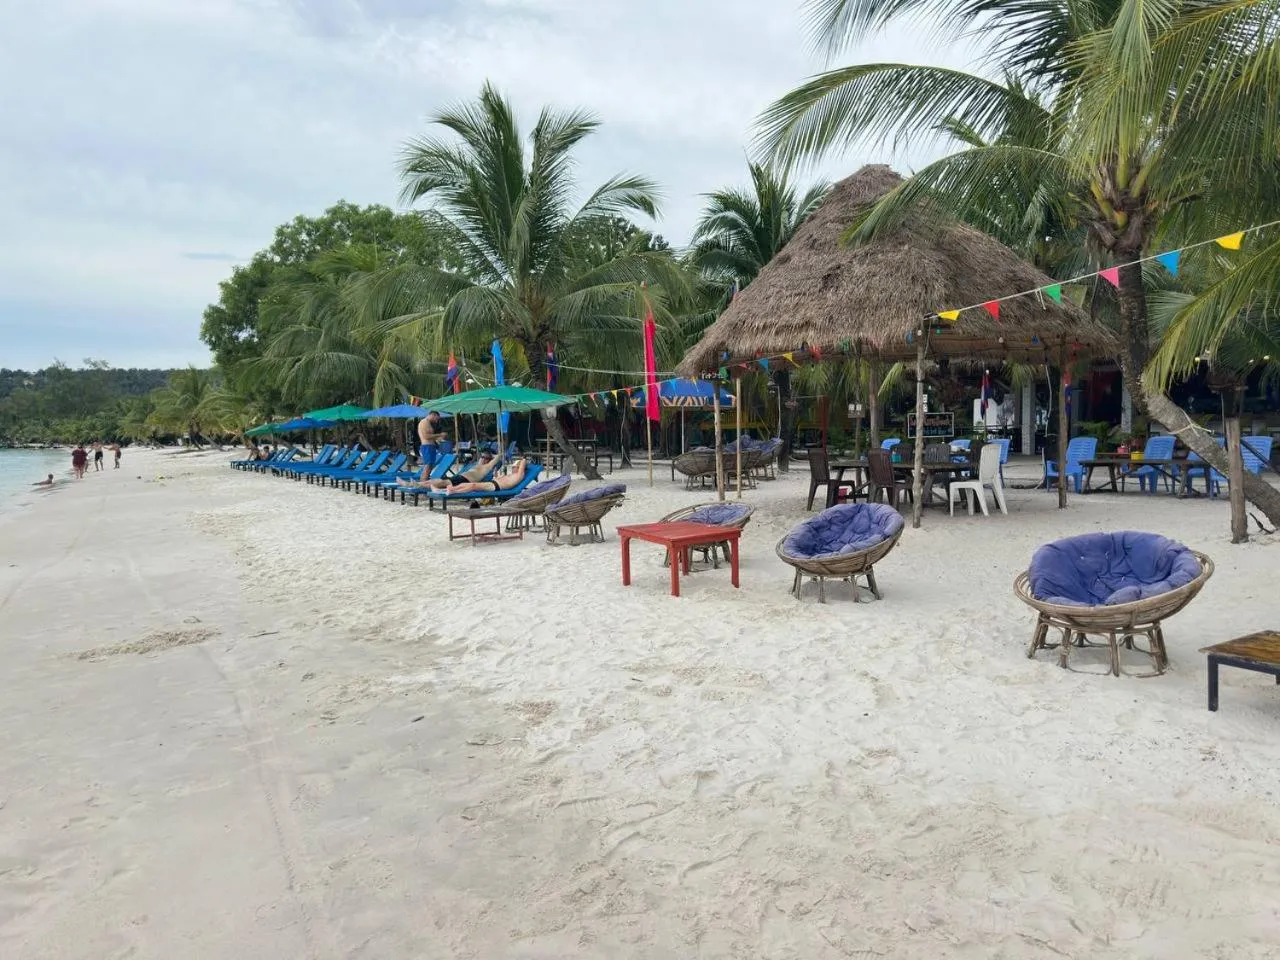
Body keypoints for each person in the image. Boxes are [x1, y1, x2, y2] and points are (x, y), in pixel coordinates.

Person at [399, 454, 496, 491]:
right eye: (482, 457)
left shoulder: (487, 467)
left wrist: (494, 455)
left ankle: (417, 485)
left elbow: (498, 457)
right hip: (460, 477)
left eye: (485, 458)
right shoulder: (477, 465)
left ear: (489, 460)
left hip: (466, 480)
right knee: (438, 480)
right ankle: (415, 484)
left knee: (442, 483)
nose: (482, 459)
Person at [445, 458, 527, 495]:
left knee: (473, 486)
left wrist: (522, 459)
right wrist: (496, 476)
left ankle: (454, 491)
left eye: (514, 467)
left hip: (495, 486)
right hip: (493, 483)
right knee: (472, 485)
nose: (513, 468)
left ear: (519, 468)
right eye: (513, 467)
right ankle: (453, 488)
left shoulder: (519, 475)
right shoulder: (510, 475)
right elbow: (498, 479)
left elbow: (524, 461)